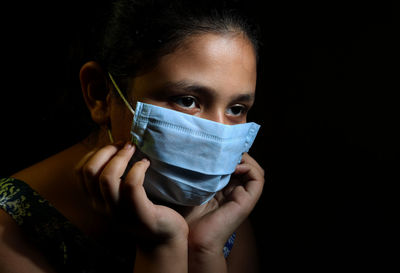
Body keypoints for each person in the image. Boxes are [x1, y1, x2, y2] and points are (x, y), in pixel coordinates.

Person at [0, 0, 264, 272]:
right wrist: (161, 249)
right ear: (100, 94)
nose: (219, 135)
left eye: (236, 108)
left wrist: (204, 250)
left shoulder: (223, 212)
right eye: (187, 100)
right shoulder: (9, 232)